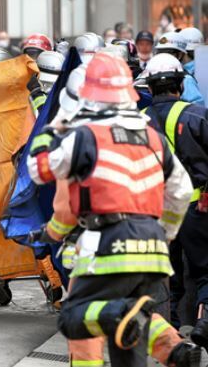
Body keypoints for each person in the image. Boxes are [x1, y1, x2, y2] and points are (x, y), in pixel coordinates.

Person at [27, 52, 193, 367]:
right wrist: (165, 234)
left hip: (106, 244)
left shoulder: (84, 137)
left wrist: (51, 129)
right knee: (133, 328)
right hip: (152, 247)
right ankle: (171, 347)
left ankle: (120, 316)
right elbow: (181, 190)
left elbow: (39, 171)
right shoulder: (151, 136)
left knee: (76, 317)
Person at [142, 54, 208, 352]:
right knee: (204, 269)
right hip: (196, 209)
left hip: (154, 211)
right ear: (180, 84)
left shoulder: (138, 121)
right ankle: (204, 319)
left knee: (164, 274)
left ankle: (167, 338)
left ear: (151, 87)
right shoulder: (197, 115)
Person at [155, 32, 203, 104]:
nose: (163, 57)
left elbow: (197, 110)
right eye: (160, 53)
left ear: (180, 55)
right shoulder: (151, 74)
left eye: (168, 53)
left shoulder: (186, 80)